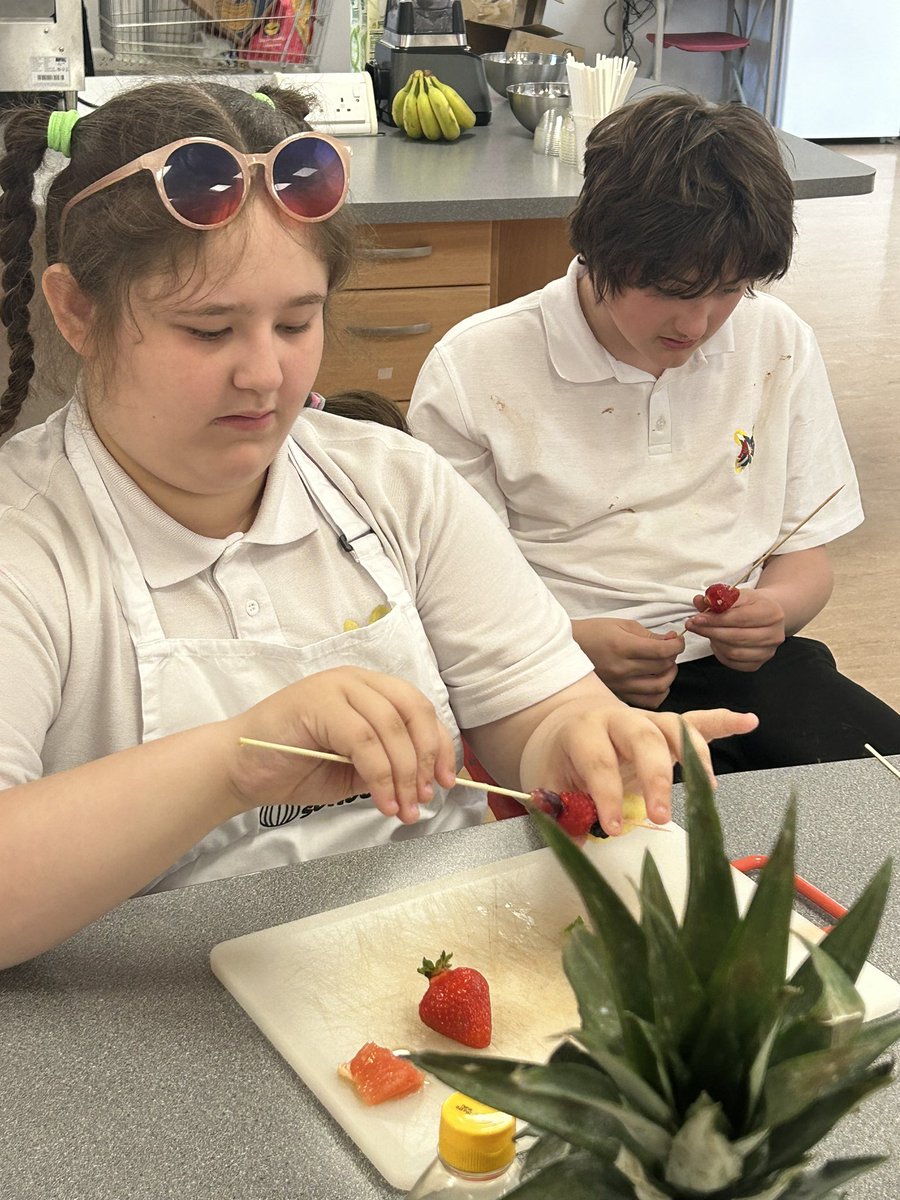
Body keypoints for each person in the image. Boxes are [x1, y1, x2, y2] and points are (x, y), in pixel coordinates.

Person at [0, 82, 755, 968]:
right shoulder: (29, 544)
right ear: (76, 310)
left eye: (296, 321)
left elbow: (536, 713)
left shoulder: (392, 486)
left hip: (441, 955)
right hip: (143, 1010)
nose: (264, 376)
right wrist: (235, 762)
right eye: (208, 331)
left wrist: (586, 742)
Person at [408, 92, 900, 774]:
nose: (696, 325)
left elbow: (806, 555)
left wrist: (775, 611)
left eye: (729, 290)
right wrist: (572, 641)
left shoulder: (776, 340)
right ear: (597, 244)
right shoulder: (475, 369)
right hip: (552, 680)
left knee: (876, 794)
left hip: (744, 671)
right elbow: (447, 607)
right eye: (670, 288)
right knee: (636, 857)